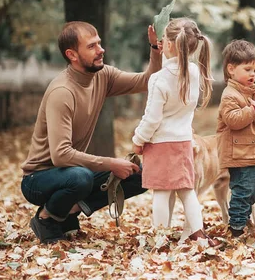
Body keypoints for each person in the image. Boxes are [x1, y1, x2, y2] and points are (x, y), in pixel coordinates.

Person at [21, 21, 163, 244]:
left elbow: (148, 81)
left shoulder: (102, 76)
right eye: (92, 46)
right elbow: (60, 155)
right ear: (72, 55)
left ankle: (67, 212)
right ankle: (46, 218)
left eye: (99, 43)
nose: (101, 50)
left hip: (71, 172)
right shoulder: (62, 92)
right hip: (38, 178)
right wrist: (111, 163)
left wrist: (155, 48)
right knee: (81, 177)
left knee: (140, 175)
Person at [131, 18, 221, 247]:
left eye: (164, 41)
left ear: (169, 45)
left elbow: (152, 118)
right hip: (184, 141)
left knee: (161, 193)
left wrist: (138, 140)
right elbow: (175, 64)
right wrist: (167, 51)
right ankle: (199, 236)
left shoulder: (158, 79)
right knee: (187, 192)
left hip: (160, 144)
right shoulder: (193, 71)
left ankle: (160, 239)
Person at [216, 40, 255, 237]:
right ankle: (236, 229)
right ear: (231, 69)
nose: (252, 74)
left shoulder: (250, 93)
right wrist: (254, 109)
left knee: (254, 187)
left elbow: (252, 122)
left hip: (252, 152)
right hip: (239, 154)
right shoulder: (229, 95)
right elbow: (233, 120)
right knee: (242, 190)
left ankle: (243, 219)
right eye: (247, 69)